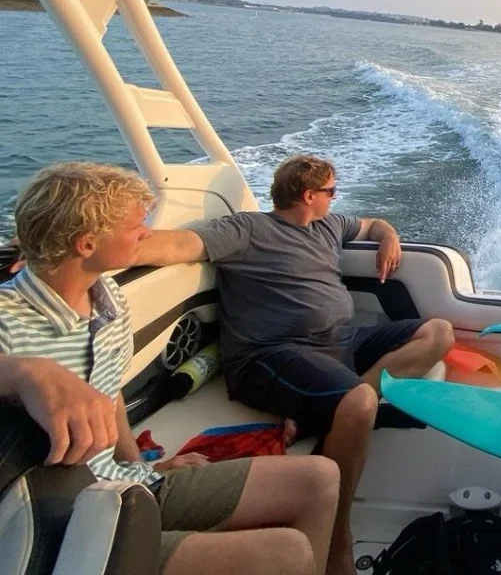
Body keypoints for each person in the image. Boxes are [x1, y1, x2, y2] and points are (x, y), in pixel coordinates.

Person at [0, 162, 340, 575]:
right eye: (135, 227)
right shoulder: (9, 318)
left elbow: (109, 394)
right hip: (64, 532)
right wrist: (23, 373)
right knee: (288, 553)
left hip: (124, 484)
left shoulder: (106, 299)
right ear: (87, 245)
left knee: (319, 479)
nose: (146, 233)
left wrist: (142, 464)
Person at [136, 154, 455, 575]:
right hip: (270, 355)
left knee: (439, 333)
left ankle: (326, 412)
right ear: (308, 195)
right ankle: (340, 537)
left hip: (339, 342)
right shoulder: (247, 229)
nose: (335, 198)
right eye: (330, 191)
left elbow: (373, 224)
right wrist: (101, 247)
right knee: (359, 402)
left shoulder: (329, 225)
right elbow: (179, 245)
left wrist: (389, 235)